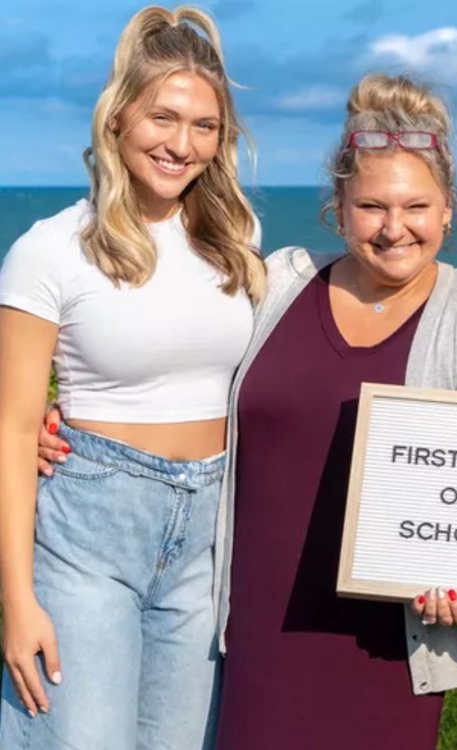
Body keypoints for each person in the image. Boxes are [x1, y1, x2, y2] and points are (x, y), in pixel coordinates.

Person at [206, 74, 457, 748]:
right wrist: (68, 421)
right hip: (251, 631)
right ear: (339, 207)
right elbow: (186, 381)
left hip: (388, 648)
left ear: (447, 210)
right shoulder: (280, 280)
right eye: (372, 205)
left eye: (416, 206)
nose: (394, 228)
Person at [0, 6, 264, 750]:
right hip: (89, 532)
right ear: (118, 118)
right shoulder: (48, 251)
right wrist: (16, 602)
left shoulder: (236, 244)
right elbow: (13, 428)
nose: (182, 144)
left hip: (210, 535)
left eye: (205, 126)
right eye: (163, 117)